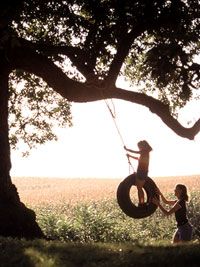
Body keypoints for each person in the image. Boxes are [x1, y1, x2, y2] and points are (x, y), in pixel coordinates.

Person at [124, 140, 152, 206]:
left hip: (142, 172)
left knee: (139, 188)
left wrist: (126, 149)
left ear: (143, 146)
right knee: (139, 188)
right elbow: (138, 158)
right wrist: (129, 156)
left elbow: (135, 152)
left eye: (139, 146)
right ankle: (141, 202)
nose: (139, 148)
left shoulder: (144, 151)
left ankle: (142, 203)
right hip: (142, 171)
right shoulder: (145, 152)